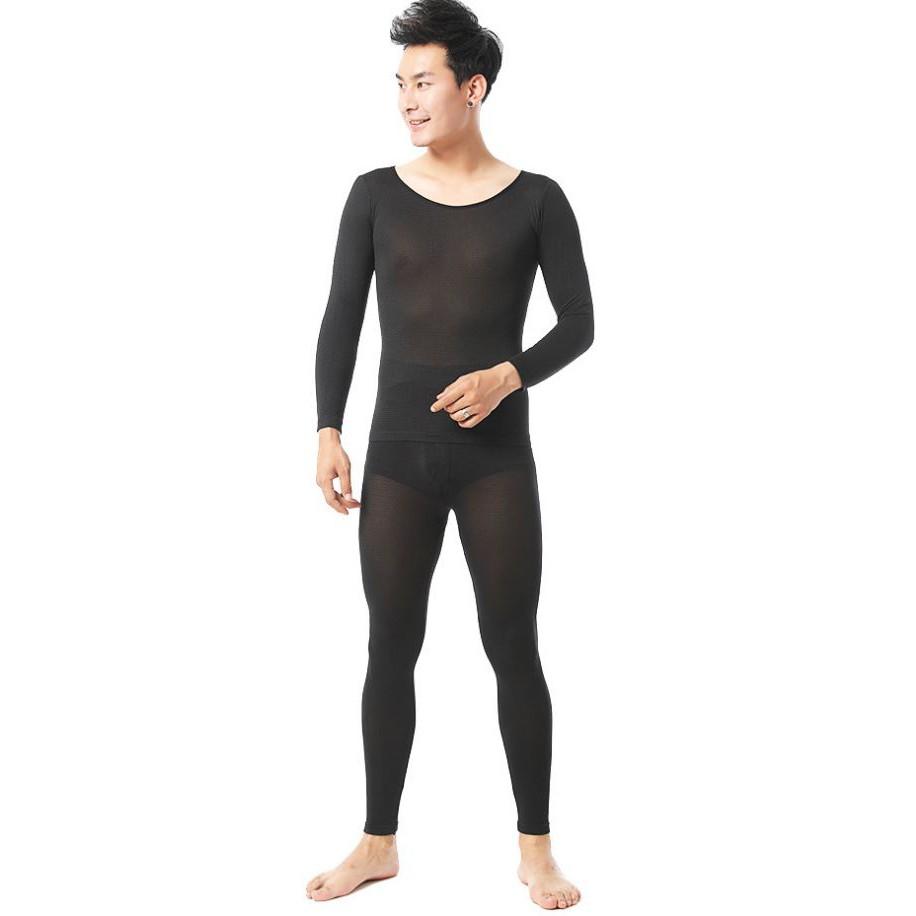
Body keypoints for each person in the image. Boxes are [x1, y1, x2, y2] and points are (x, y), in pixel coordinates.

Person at [307, 1, 593, 908]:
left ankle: (536, 851)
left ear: (473, 88)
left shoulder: (538, 198)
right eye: (399, 83)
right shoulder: (373, 193)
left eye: (423, 81)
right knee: (389, 645)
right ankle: (378, 843)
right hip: (396, 457)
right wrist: (327, 428)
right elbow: (342, 319)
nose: (407, 99)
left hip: (496, 462)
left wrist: (510, 374)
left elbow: (580, 325)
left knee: (513, 646)